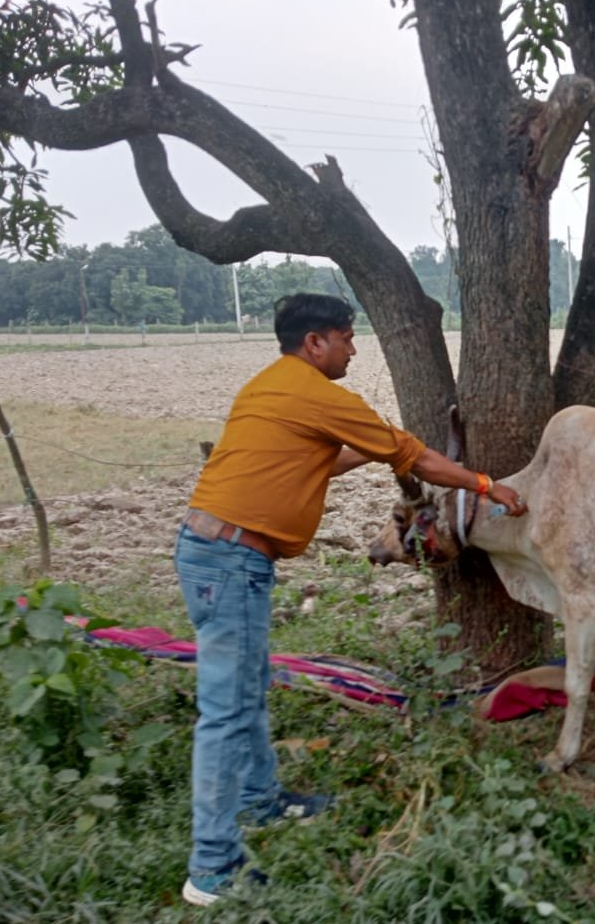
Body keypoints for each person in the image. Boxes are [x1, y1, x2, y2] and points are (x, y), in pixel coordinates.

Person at [176, 293, 526, 906]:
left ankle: (260, 801)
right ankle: (211, 868)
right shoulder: (318, 394)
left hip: (215, 552)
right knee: (226, 710)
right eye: (345, 337)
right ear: (315, 343)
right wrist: (484, 484)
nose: (353, 349)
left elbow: (311, 459)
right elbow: (419, 460)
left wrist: (372, 444)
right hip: (230, 559)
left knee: (246, 688)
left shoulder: (272, 386)